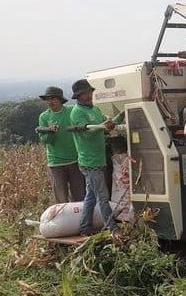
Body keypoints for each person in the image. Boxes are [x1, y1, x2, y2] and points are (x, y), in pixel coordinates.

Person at [69, 79, 123, 237]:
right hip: (89, 162)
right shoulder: (77, 112)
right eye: (85, 94)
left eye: (90, 92)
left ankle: (85, 228)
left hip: (98, 160)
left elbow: (105, 128)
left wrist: (118, 118)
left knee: (90, 197)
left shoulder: (95, 110)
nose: (88, 96)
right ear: (78, 96)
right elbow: (87, 133)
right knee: (103, 197)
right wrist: (103, 126)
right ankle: (113, 229)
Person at [36, 86, 85, 204]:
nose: (50, 102)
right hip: (56, 163)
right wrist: (50, 132)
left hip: (74, 160)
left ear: (60, 99)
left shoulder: (71, 111)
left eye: (53, 98)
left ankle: (81, 221)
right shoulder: (44, 117)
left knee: (79, 196)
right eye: (47, 99)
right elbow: (45, 141)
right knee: (61, 199)